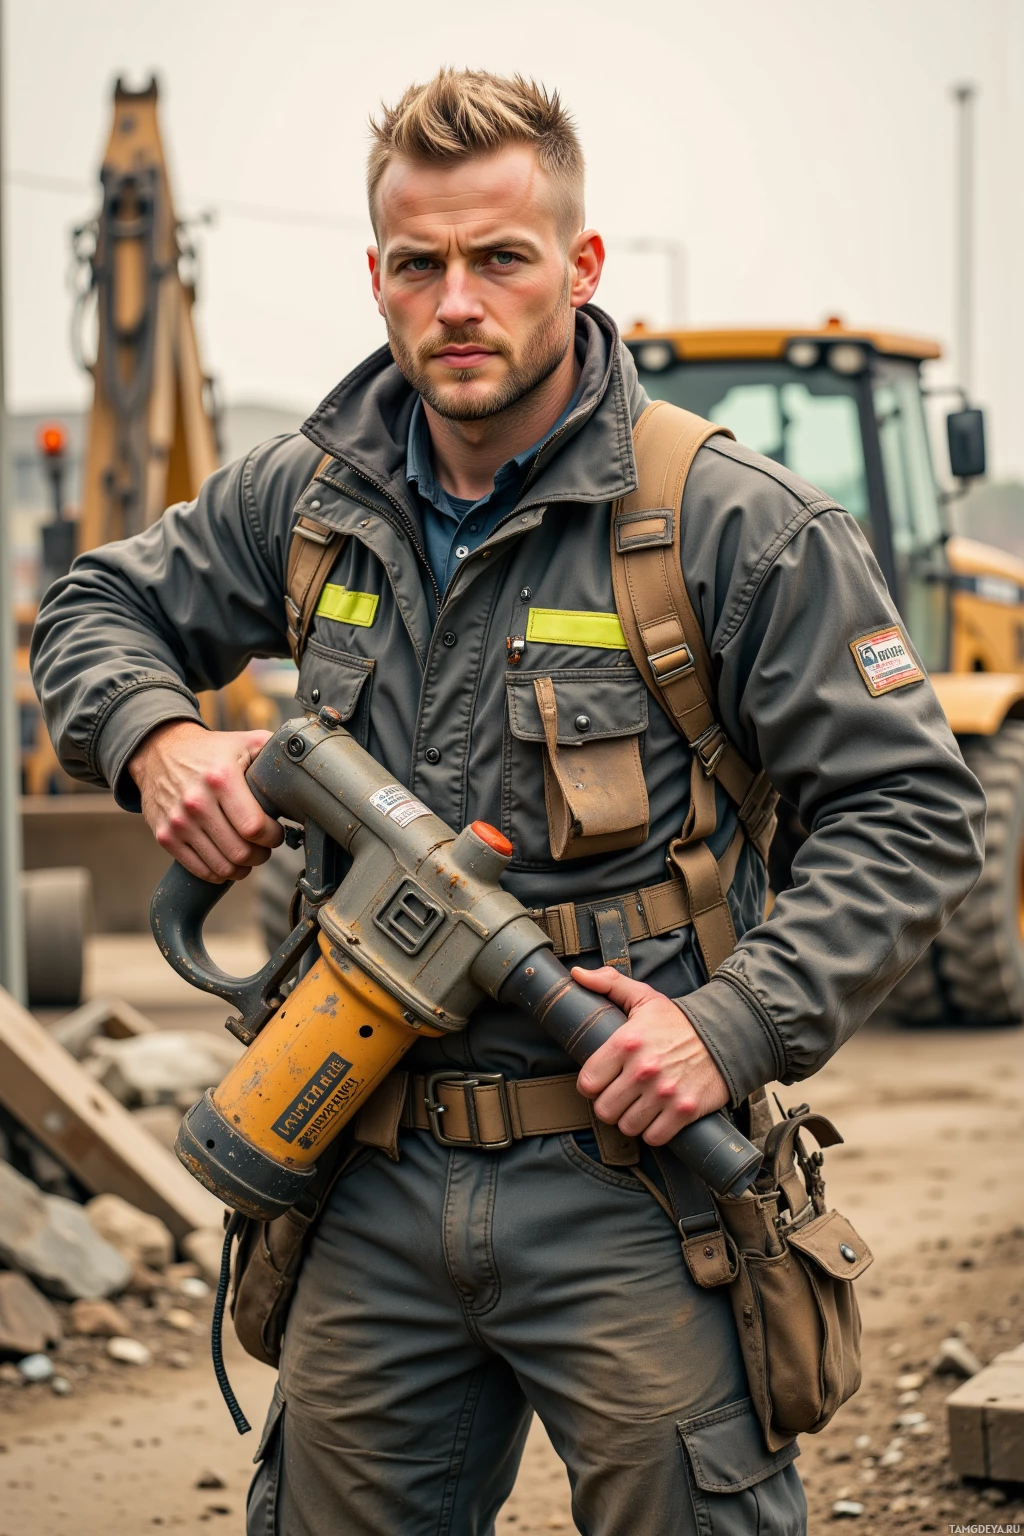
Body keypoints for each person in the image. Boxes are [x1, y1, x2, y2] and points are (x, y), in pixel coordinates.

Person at [32, 68, 984, 1536]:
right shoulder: (309, 499)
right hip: (360, 1166)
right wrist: (158, 740)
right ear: (378, 277)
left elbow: (912, 813)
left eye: (500, 257)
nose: (456, 300)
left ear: (581, 266)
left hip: (636, 1191)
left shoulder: (732, 528)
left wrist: (727, 1027)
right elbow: (96, 604)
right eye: (419, 264)